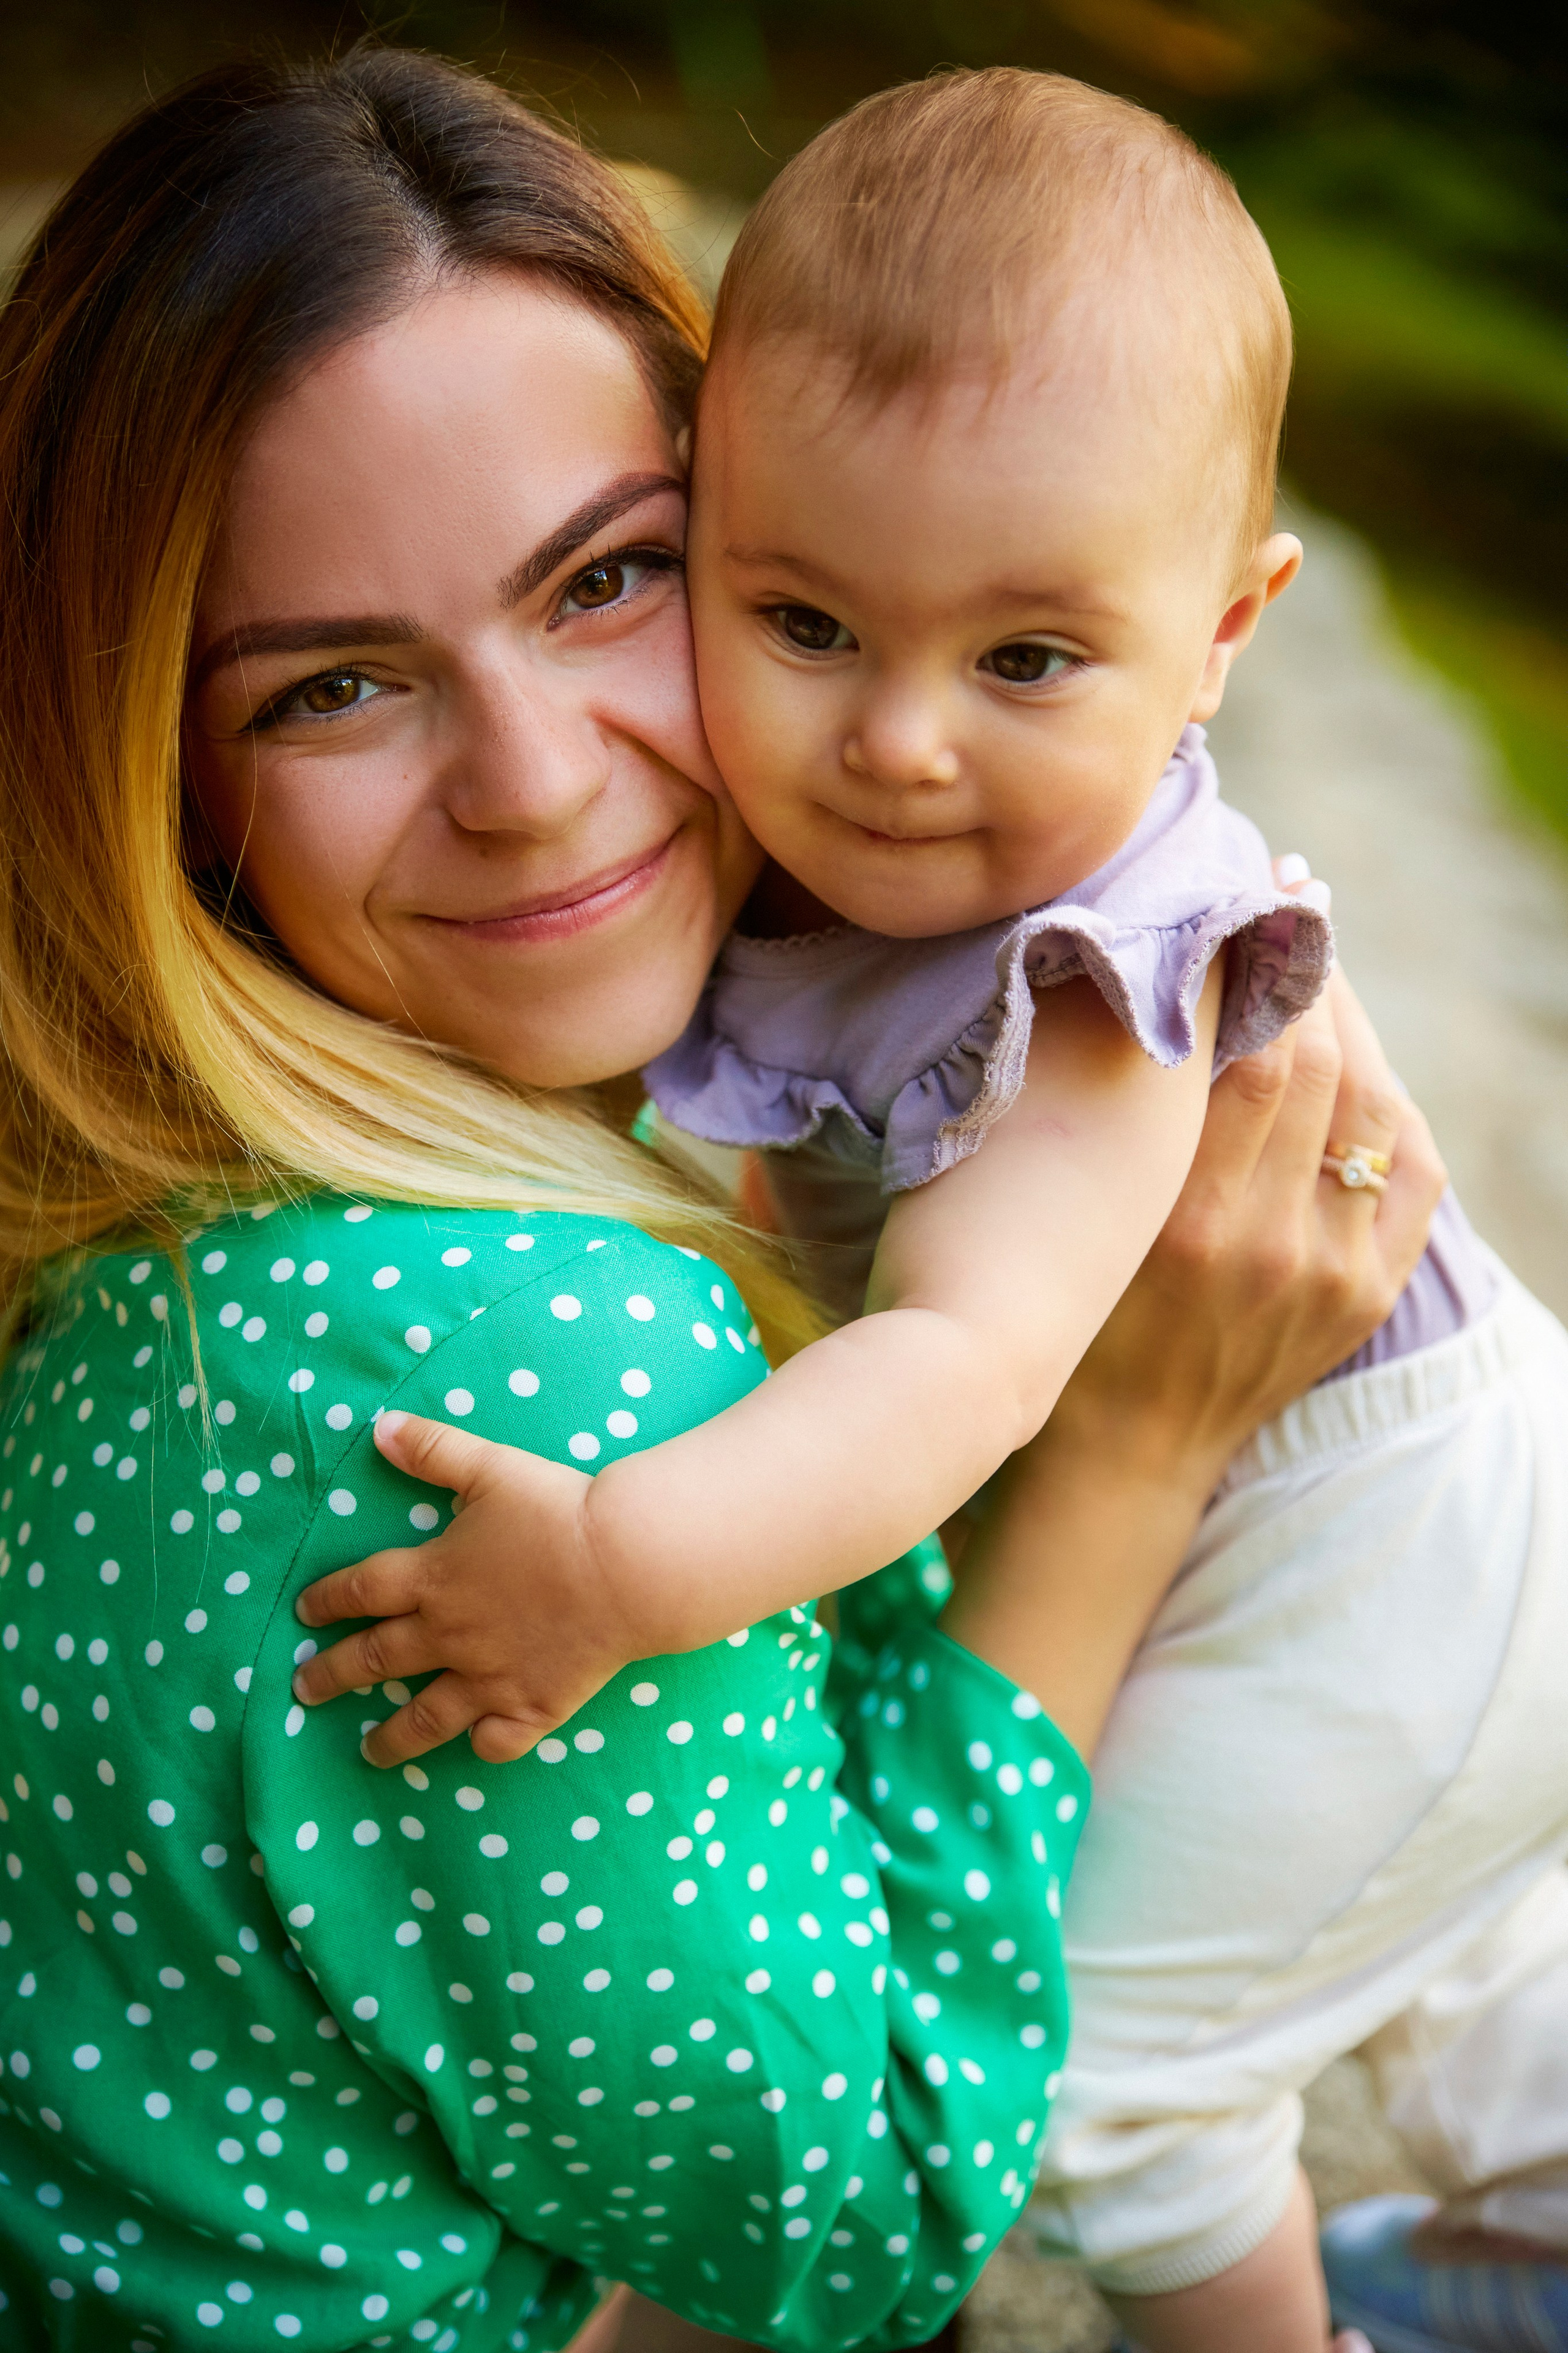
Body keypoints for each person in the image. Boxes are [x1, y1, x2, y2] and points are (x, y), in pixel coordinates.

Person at [0, 47, 1430, 2353]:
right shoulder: (509, 1363)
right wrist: (1142, 1452)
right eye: (337, 686)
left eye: (607, 580)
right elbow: (859, 2236)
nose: (542, 785)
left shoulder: (168, 1236)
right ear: (141, 760)